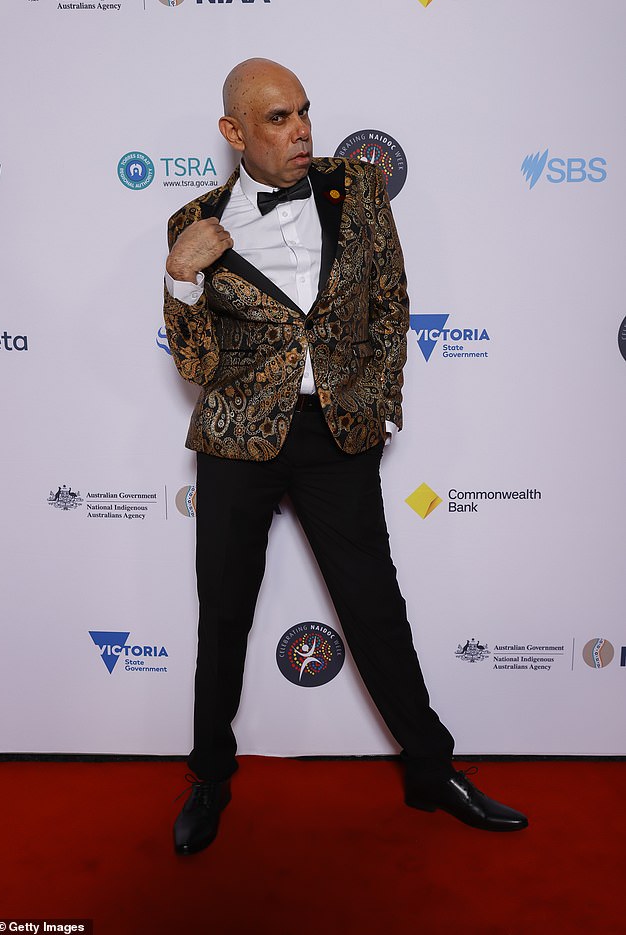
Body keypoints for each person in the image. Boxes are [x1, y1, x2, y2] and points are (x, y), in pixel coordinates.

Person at [163, 58, 528, 855]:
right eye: (276, 120)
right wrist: (182, 279)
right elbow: (193, 365)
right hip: (237, 439)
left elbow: (392, 302)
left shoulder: (356, 190)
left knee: (375, 609)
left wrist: (374, 402)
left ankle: (432, 769)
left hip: (335, 437)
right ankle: (211, 776)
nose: (299, 132)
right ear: (233, 132)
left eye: (303, 113)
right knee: (223, 614)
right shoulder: (194, 220)